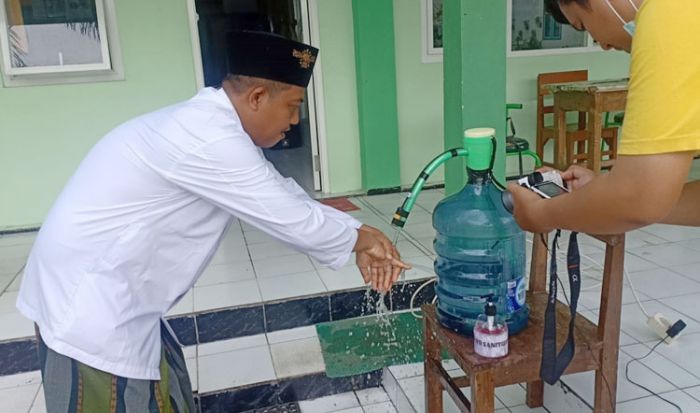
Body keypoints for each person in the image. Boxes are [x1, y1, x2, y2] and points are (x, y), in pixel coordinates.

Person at [16, 31, 409, 412]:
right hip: (91, 304)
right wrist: (362, 239)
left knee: (163, 387)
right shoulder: (210, 139)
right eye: (292, 105)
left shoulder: (210, 125)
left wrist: (363, 234)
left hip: (111, 291)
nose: (295, 119)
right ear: (256, 97)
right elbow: (287, 217)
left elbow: (280, 192)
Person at [510, 0, 700, 235]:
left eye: (582, 24)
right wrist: (605, 195)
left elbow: (637, 198)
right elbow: (647, 199)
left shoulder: (669, 14)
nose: (602, 45)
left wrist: (540, 213)